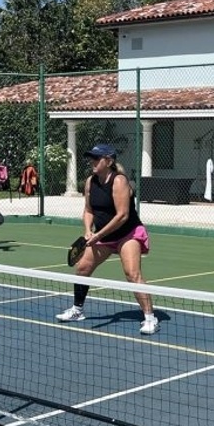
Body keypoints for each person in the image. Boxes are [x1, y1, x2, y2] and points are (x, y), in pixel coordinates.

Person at [56, 143, 158, 334]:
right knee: (83, 268)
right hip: (102, 236)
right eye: (91, 158)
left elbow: (122, 216)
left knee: (132, 274)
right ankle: (77, 310)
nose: (92, 162)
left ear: (109, 161)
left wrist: (98, 235)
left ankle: (150, 318)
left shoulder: (119, 181)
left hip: (127, 234)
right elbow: (88, 210)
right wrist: (87, 230)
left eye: (96, 158)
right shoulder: (90, 182)